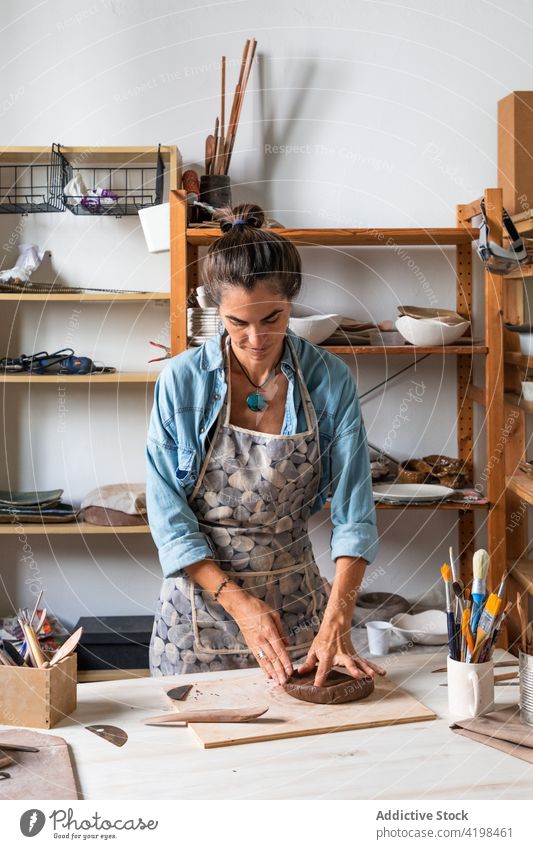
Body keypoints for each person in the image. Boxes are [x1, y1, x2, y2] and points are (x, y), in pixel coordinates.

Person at [146, 203, 384, 687]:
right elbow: (169, 516)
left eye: (271, 318)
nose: (255, 339)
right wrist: (239, 604)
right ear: (217, 312)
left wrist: (337, 619)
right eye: (236, 323)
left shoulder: (329, 380)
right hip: (198, 615)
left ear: (292, 301)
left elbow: (354, 513)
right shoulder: (181, 382)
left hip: (299, 614)